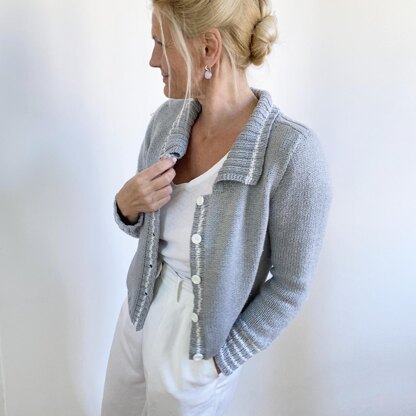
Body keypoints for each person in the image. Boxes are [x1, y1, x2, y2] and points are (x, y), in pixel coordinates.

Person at [101, 0, 332, 415]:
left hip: (198, 349)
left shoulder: (291, 153)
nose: (153, 60)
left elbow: (291, 286)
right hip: (136, 318)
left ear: (208, 48)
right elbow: (141, 228)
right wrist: (125, 206)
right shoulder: (165, 123)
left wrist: (220, 360)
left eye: (161, 43)